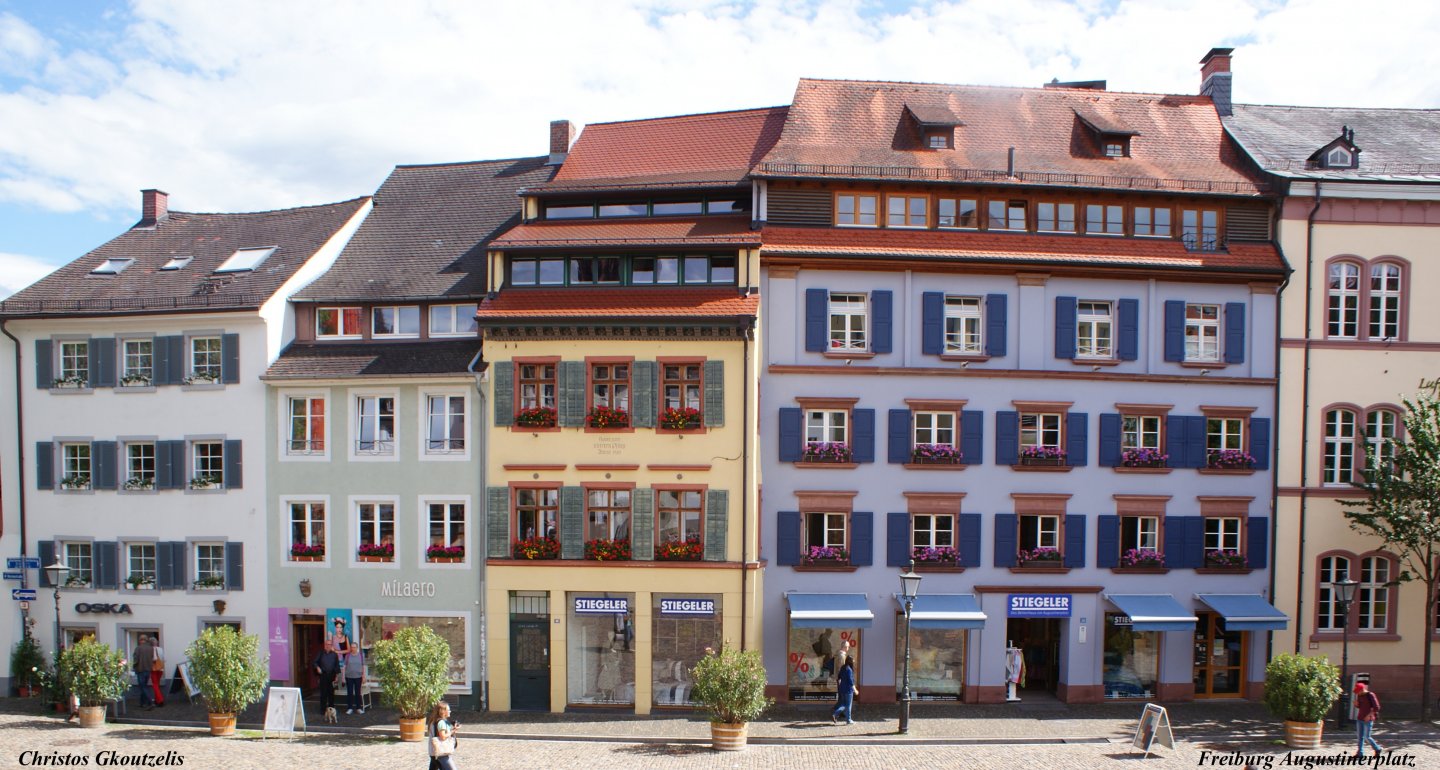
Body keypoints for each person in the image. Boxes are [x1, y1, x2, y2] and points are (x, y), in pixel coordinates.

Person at [427, 701, 458, 770]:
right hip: (441, 752)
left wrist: (452, 728)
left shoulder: (433, 721)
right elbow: (443, 737)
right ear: (443, 711)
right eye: (448, 710)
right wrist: (453, 731)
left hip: (434, 752)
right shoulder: (441, 722)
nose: (450, 711)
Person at [1355, 682, 1383, 758]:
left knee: (1367, 736)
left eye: (1358, 691)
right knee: (1360, 737)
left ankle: (1377, 749)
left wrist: (1369, 715)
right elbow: (1360, 706)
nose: (1357, 692)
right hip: (1360, 718)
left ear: (1362, 689)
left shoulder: (1370, 695)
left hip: (1368, 719)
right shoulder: (1359, 695)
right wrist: (1356, 705)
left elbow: (1377, 707)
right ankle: (1360, 753)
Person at [313, 640, 341, 715]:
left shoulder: (335, 655)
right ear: (325, 645)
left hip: (332, 676)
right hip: (323, 676)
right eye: (327, 644)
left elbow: (337, 666)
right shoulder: (321, 653)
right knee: (323, 693)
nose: (328, 646)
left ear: (331, 645)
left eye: (329, 644)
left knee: (331, 693)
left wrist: (337, 676)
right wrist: (318, 668)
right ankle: (323, 710)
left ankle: (331, 709)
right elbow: (315, 662)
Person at [831, 656, 857, 725]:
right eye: (853, 660)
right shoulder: (849, 670)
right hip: (848, 690)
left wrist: (840, 683)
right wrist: (855, 689)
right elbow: (850, 681)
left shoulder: (843, 667)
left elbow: (839, 676)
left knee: (843, 704)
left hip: (842, 689)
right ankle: (848, 720)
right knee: (848, 705)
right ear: (850, 661)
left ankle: (835, 713)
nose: (854, 661)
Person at [131, 635, 155, 709]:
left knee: (143, 687)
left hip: (140, 669)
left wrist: (133, 667)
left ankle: (150, 702)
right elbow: (152, 658)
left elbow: (136, 659)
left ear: (141, 640)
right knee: (144, 686)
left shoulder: (138, 648)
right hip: (148, 669)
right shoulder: (151, 648)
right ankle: (142, 703)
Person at [343, 643, 365, 715]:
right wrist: (343, 677)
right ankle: (350, 708)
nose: (353, 649)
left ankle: (358, 708)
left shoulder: (361, 655)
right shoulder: (347, 656)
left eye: (354, 647)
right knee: (349, 693)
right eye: (352, 647)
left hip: (358, 677)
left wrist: (363, 676)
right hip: (349, 677)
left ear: (357, 648)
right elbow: (344, 667)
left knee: (358, 693)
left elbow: (363, 666)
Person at [150, 635, 166, 708]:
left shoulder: (151, 649)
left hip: (154, 669)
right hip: (161, 669)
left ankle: (160, 700)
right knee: (157, 684)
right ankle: (157, 700)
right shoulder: (160, 649)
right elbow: (164, 659)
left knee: (155, 685)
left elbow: (154, 659)